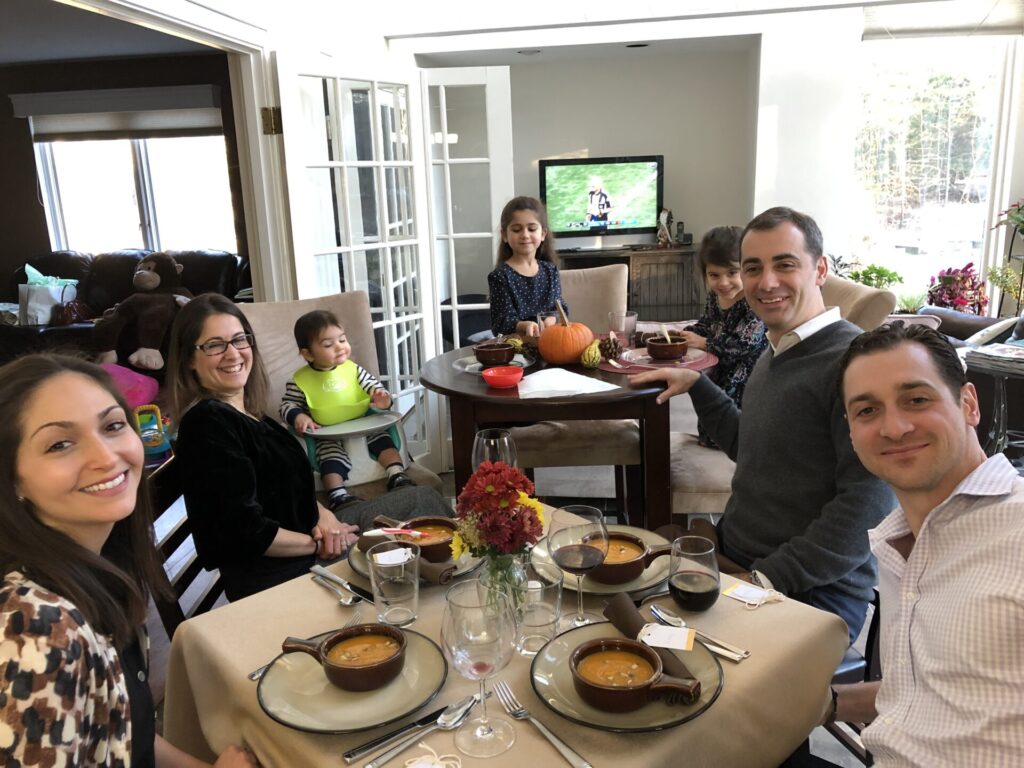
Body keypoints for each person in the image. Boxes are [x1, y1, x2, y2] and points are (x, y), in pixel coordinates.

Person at [632, 207, 894, 644]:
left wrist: (766, 579)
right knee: (619, 595)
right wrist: (698, 384)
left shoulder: (854, 363)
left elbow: (868, 506)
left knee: (666, 657)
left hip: (809, 593)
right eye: (753, 268)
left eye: (785, 264)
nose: (766, 282)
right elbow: (749, 444)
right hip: (736, 557)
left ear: (820, 270)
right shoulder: (777, 351)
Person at [0, 354, 255, 767]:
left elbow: (125, 732)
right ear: (12, 479)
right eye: (59, 444)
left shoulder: (102, 572)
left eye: (113, 425)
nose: (106, 457)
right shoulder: (36, 627)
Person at [826, 321, 1024, 765]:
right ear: (852, 430)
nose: (893, 428)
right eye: (867, 411)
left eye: (916, 400)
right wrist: (824, 703)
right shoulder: (897, 542)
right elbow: (926, 691)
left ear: (968, 403)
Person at [167, 294, 452, 602]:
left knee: (423, 500)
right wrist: (321, 542)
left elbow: (282, 482)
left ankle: (450, 598)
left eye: (239, 339)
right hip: (283, 575)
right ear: (188, 359)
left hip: (312, 540)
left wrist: (324, 515)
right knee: (423, 534)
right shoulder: (207, 423)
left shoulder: (247, 411)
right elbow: (244, 532)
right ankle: (454, 605)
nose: (233, 353)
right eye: (214, 345)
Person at [280, 310, 415, 511]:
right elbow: (286, 405)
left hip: (362, 423)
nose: (339, 347)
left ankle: (396, 474)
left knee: (384, 440)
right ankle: (337, 493)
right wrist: (298, 416)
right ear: (307, 353)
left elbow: (375, 389)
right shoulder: (299, 381)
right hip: (327, 432)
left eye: (342, 340)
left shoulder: (354, 370)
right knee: (328, 457)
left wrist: (382, 399)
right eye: (328, 344)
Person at [680, 225, 768, 447]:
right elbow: (707, 324)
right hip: (718, 373)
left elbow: (742, 345)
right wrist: (688, 334)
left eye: (732, 273)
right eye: (714, 275)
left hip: (746, 378)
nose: (723, 282)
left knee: (735, 430)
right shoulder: (714, 297)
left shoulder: (753, 302)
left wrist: (704, 343)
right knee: (710, 420)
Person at [488, 196, 567, 337]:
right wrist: (524, 326)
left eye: (531, 229)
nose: (525, 235)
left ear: (542, 234)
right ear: (504, 235)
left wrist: (553, 318)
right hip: (518, 347)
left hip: (552, 340)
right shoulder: (500, 276)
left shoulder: (550, 270)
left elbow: (561, 308)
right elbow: (501, 322)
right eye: (517, 230)